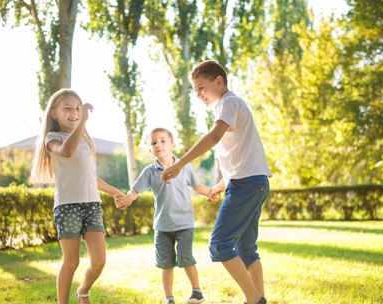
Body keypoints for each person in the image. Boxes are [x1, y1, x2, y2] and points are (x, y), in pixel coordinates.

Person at [160, 60, 272, 304]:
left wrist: (180, 164)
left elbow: (213, 137)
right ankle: (258, 298)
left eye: (201, 87)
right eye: (195, 90)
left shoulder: (228, 103)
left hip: (247, 185)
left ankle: (254, 300)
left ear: (218, 81)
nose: (198, 94)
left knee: (219, 244)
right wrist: (220, 185)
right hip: (254, 182)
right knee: (246, 249)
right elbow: (239, 158)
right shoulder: (231, 106)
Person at [31, 88, 124, 304]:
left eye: (76, 109)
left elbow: (91, 176)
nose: (74, 113)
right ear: (54, 113)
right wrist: (83, 121)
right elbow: (66, 151)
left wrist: (115, 192)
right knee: (71, 262)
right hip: (67, 206)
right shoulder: (52, 138)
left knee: (99, 260)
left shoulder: (84, 141)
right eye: (68, 109)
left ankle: (83, 291)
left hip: (92, 205)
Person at [116, 127, 215, 304]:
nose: (158, 144)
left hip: (184, 223)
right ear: (150, 149)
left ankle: (197, 292)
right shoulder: (149, 171)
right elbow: (135, 190)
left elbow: (197, 186)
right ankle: (169, 298)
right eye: (153, 142)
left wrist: (209, 192)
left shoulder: (184, 166)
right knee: (165, 264)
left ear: (173, 145)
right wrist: (127, 199)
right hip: (162, 226)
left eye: (163, 140)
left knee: (186, 258)